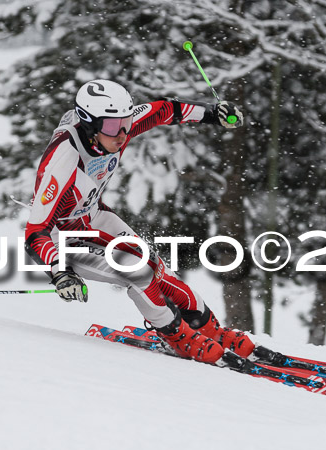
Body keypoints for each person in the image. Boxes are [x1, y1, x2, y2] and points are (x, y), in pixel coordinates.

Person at [25, 79, 255, 363]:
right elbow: (35, 234)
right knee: (139, 274)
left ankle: (208, 329)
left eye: (126, 121)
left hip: (93, 215)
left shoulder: (115, 125)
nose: (122, 133)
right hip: (62, 239)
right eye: (112, 126)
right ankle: (177, 337)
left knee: (156, 266)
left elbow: (166, 109)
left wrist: (212, 114)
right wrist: (60, 273)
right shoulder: (63, 160)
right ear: (88, 124)